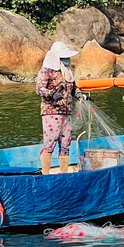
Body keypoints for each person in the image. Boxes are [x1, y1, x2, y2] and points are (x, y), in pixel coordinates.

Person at [37, 41, 80, 174]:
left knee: (66, 144)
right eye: (63, 57)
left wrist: (80, 95)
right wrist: (53, 94)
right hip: (51, 112)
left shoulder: (67, 71)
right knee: (50, 143)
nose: (67, 59)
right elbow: (39, 89)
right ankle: (45, 173)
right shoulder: (47, 71)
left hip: (66, 112)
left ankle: (64, 173)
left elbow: (73, 88)